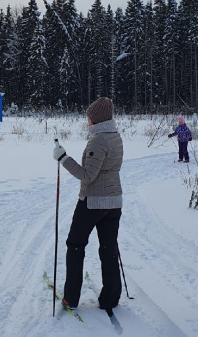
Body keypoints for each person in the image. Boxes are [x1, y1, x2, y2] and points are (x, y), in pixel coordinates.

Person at [52, 97, 124, 313]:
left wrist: (63, 158)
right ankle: (110, 298)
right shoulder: (115, 137)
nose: (87, 120)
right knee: (109, 249)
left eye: (89, 117)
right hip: (114, 202)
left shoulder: (98, 141)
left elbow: (88, 176)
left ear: (96, 119)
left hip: (92, 202)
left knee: (75, 245)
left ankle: (71, 298)